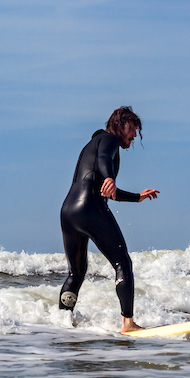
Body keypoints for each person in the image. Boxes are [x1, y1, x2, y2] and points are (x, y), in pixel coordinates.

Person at [59, 106, 159, 333]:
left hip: (68, 212)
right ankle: (128, 323)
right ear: (119, 125)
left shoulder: (92, 146)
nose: (134, 135)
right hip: (91, 209)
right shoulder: (108, 141)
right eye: (132, 128)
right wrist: (110, 176)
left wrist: (138, 197)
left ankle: (62, 323)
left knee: (76, 273)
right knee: (123, 263)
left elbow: (107, 190)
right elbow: (105, 164)